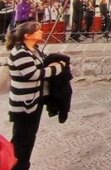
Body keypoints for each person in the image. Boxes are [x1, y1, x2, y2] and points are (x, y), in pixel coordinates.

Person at [6, 22, 66, 170]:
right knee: (21, 139)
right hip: (24, 103)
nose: (41, 32)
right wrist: (58, 67)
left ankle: (23, 165)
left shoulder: (34, 49)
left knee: (29, 137)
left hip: (34, 100)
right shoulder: (20, 52)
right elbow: (33, 74)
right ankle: (16, 166)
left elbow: (41, 64)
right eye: (37, 31)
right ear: (27, 35)